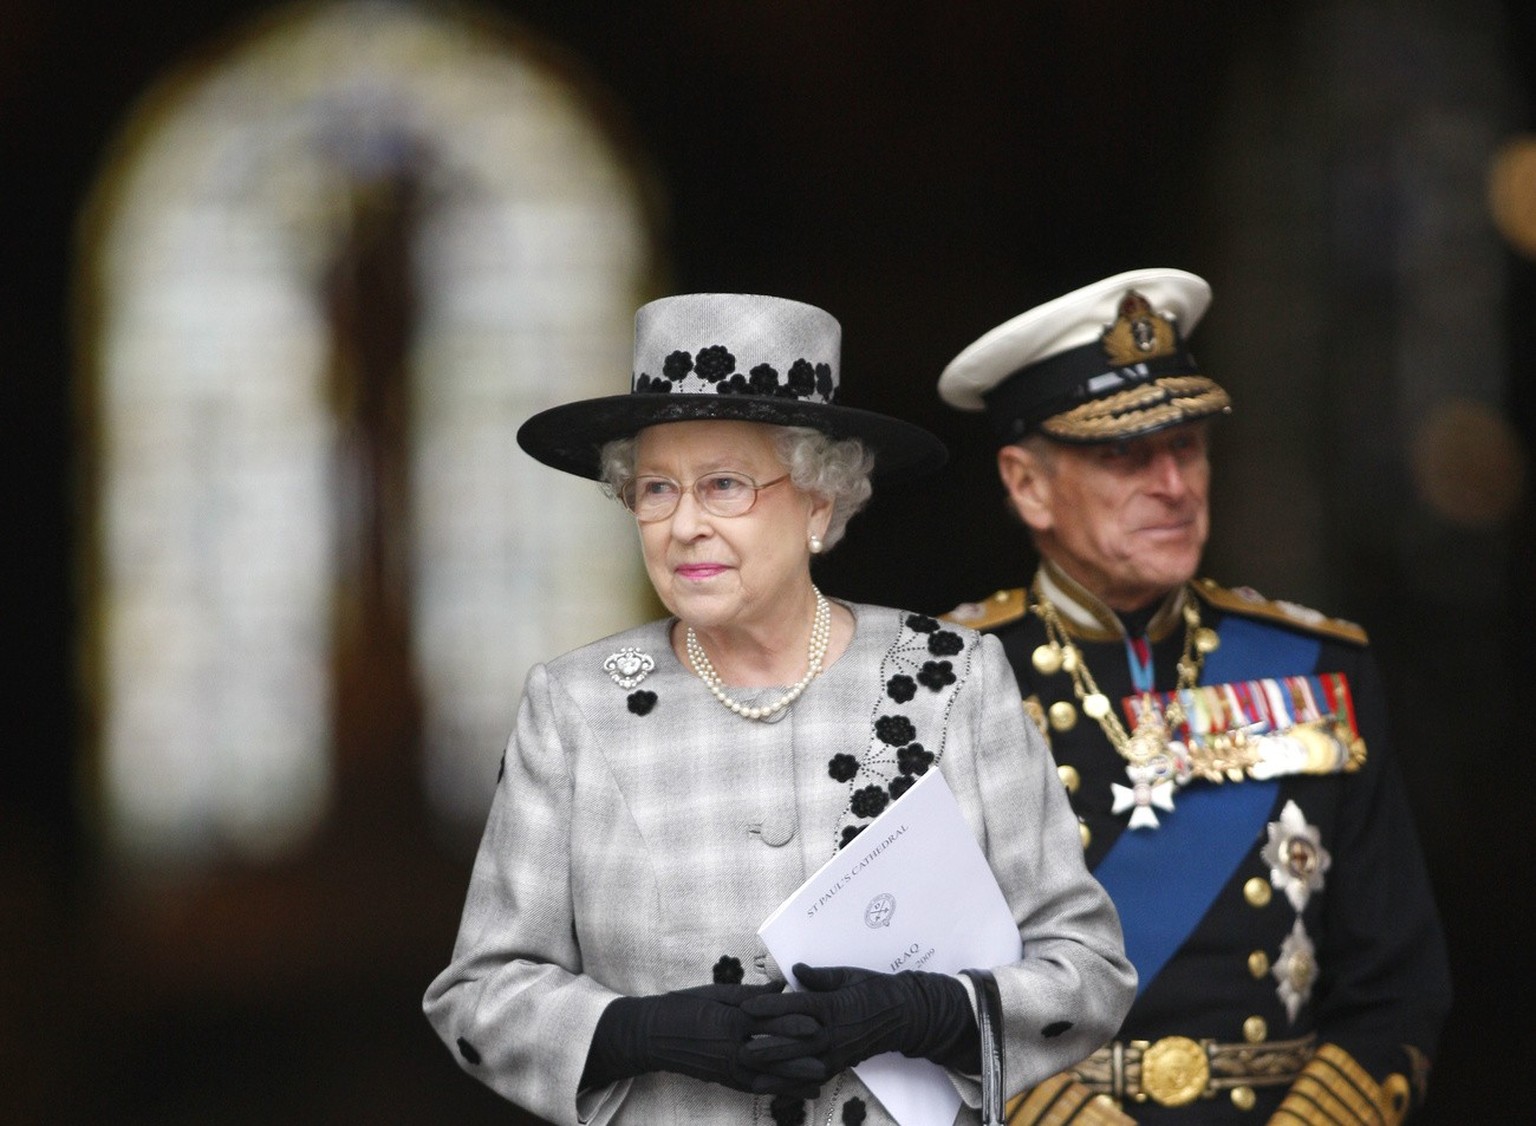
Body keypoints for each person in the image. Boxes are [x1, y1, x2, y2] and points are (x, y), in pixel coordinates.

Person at [423, 292, 1136, 1126]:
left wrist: (927, 1012)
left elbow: (1087, 970)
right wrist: (635, 1032)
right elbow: (480, 992)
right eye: (656, 489)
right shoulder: (576, 706)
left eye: (723, 485)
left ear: (818, 504)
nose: (683, 524)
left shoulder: (955, 679)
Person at [936, 269, 1452, 1125]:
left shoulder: (1317, 663)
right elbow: (898, 970)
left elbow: (1394, 979)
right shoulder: (938, 683)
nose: (1174, 485)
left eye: (1187, 447)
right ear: (1027, 485)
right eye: (1124, 456)